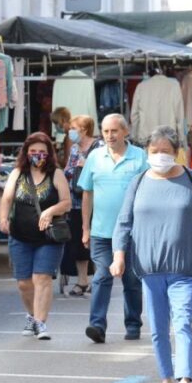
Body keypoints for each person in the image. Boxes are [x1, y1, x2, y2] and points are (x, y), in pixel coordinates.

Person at [112, 126, 192, 383]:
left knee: (183, 322)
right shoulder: (139, 181)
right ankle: (165, 381)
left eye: (166, 151)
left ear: (176, 153)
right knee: (158, 328)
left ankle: (184, 382)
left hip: (184, 269)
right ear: (147, 153)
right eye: (155, 151)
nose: (160, 156)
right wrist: (119, 256)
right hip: (149, 269)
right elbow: (124, 222)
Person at [78, 114, 149, 343]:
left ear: (125, 132)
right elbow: (87, 193)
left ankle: (133, 324)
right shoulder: (95, 157)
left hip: (132, 232)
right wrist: (85, 228)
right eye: (106, 131)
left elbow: (149, 192)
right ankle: (97, 325)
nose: (109, 136)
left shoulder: (139, 157)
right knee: (101, 276)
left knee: (131, 279)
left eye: (114, 131)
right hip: (101, 231)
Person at [0, 132, 72, 340]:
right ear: (26, 153)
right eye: (33, 151)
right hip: (20, 236)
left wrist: (50, 211)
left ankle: (41, 322)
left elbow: (66, 202)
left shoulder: (56, 174)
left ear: (49, 153)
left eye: (42, 152)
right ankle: (31, 316)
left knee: (42, 278)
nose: (37, 155)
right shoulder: (17, 173)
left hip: (48, 238)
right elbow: (6, 198)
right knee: (24, 283)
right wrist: (3, 219)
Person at [61, 115, 101, 296]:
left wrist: (86, 166)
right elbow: (68, 170)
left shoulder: (99, 147)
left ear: (83, 130)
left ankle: (99, 279)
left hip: (96, 201)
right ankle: (82, 280)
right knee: (78, 241)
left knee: (96, 241)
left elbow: (103, 170)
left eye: (73, 128)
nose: (70, 131)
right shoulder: (75, 148)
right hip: (76, 201)